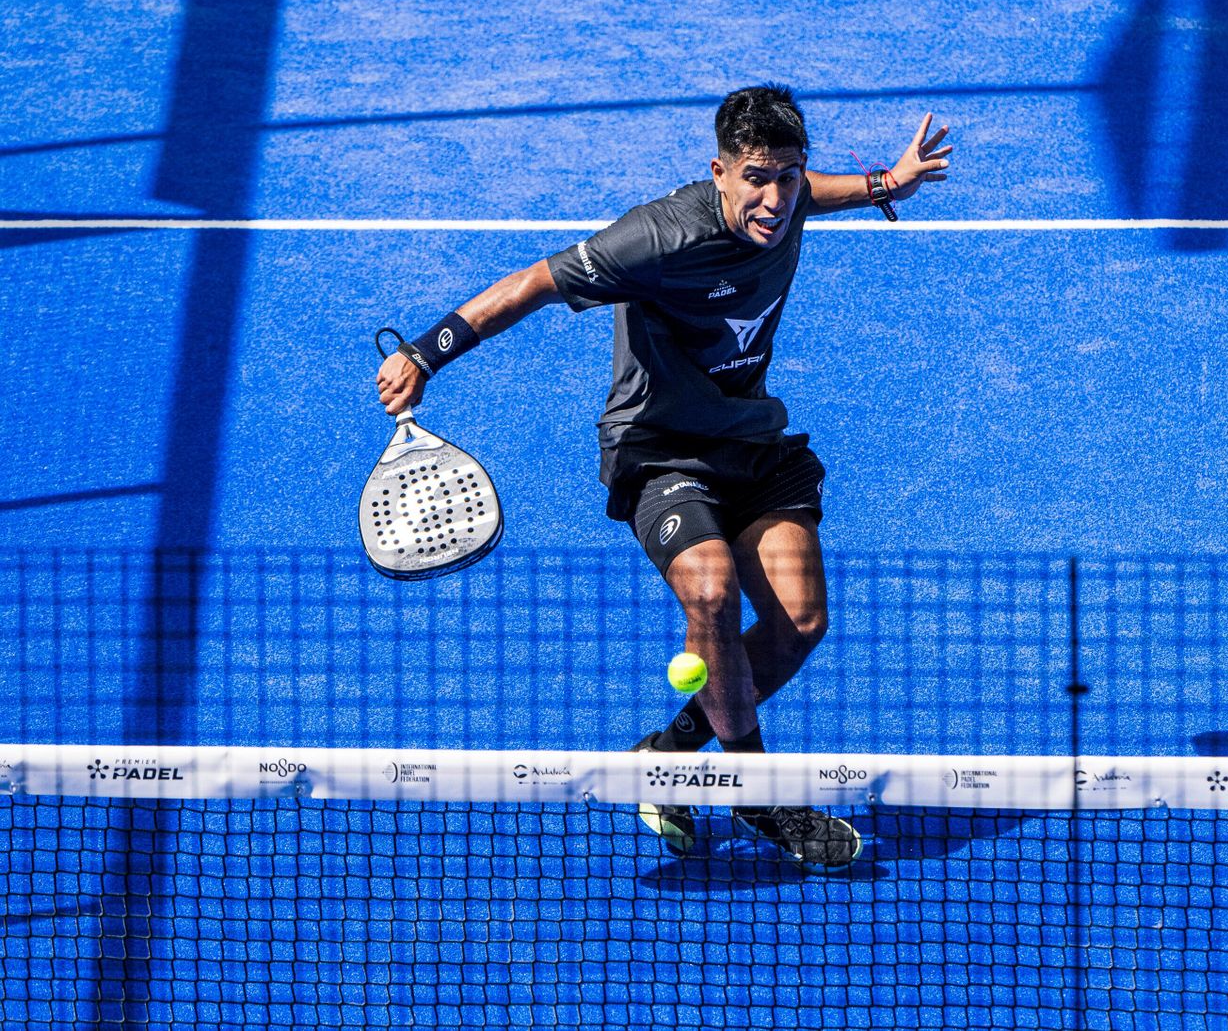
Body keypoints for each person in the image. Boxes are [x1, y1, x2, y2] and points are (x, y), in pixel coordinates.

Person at [376, 84, 953, 871]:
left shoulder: (787, 201)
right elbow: (534, 283)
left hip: (751, 442)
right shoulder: (657, 237)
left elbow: (816, 192)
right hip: (660, 452)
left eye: (787, 177)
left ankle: (668, 756)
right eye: (756, 178)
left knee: (799, 623)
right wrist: (423, 353)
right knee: (710, 591)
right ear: (720, 172)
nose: (775, 198)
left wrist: (888, 183)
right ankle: (757, 793)